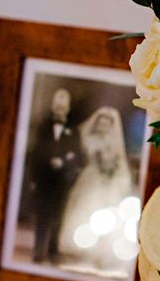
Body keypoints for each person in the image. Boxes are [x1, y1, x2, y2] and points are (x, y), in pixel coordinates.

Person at [58, 106, 136, 272]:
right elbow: (84, 156)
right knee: (84, 208)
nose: (103, 127)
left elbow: (119, 160)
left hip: (107, 180)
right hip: (91, 175)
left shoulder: (114, 141)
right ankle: (81, 248)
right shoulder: (89, 138)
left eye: (106, 124)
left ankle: (101, 252)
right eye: (100, 124)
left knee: (106, 213)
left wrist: (112, 170)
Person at [30, 88, 84, 264]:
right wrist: (33, 179)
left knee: (57, 217)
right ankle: (38, 252)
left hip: (61, 182)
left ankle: (53, 252)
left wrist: (63, 162)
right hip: (44, 179)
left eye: (63, 106)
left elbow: (78, 155)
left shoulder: (73, 131)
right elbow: (35, 152)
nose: (60, 109)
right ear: (53, 107)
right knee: (41, 216)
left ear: (68, 108)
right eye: (57, 105)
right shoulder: (43, 126)